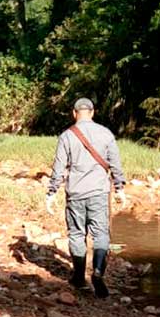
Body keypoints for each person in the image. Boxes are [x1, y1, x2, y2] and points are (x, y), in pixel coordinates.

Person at [46, 98, 127, 298]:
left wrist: (51, 192)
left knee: (76, 234)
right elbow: (115, 163)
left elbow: (59, 168)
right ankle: (98, 272)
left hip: (75, 193)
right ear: (93, 112)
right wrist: (119, 188)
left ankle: (79, 278)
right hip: (99, 192)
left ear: (74, 113)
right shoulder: (106, 133)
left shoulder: (66, 136)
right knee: (100, 234)